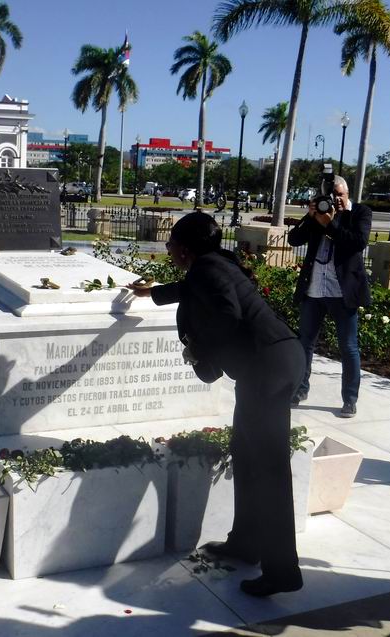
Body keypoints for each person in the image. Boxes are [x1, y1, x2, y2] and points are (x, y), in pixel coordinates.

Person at [127, 212, 306, 597]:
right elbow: (193, 290)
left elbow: (227, 312)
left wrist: (199, 348)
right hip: (272, 362)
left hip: (266, 367)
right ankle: (245, 542)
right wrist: (153, 293)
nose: (168, 249)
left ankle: (282, 570)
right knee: (245, 453)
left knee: (269, 470)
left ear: (185, 248)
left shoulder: (208, 269)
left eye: (171, 243)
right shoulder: (212, 264)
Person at [288, 176, 372, 418]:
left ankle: (350, 399)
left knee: (348, 347)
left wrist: (331, 222)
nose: (336, 198)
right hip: (314, 289)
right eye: (331, 194)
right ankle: (300, 390)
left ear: (347, 192)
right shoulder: (318, 215)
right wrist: (310, 215)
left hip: (341, 291)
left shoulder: (360, 213)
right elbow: (294, 240)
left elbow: (358, 242)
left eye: (340, 193)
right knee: (305, 343)